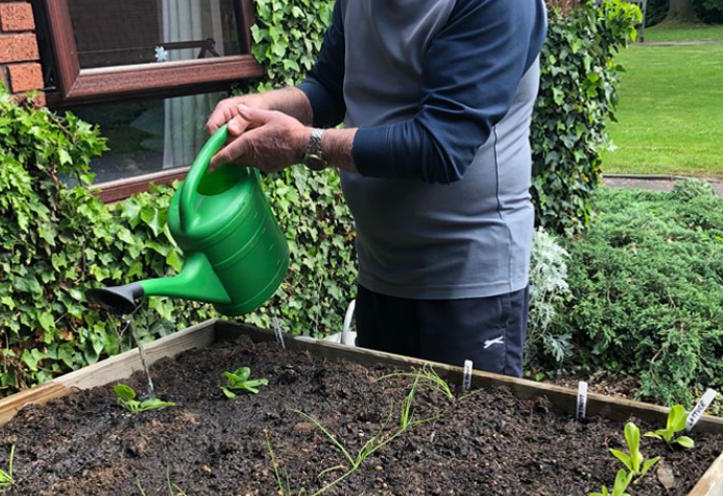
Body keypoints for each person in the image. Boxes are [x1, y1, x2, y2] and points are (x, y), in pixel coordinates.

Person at [207, 0, 547, 376]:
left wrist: (307, 144)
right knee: (382, 429)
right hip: (380, 273)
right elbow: (328, 87)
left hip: (469, 285)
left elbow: (442, 146)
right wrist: (262, 104)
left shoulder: (498, 5)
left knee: (460, 427)